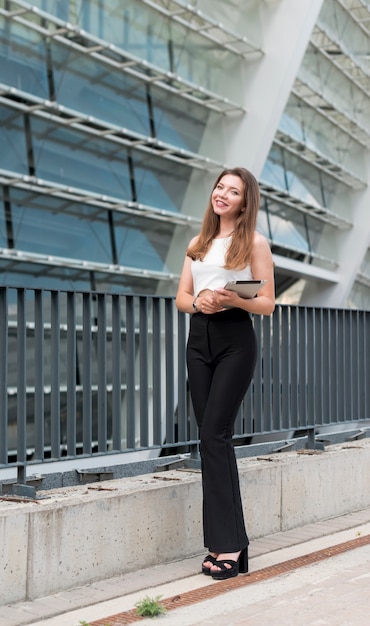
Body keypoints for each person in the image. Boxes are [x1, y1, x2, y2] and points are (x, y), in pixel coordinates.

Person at [175, 167, 275, 580]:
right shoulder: (198, 242)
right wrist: (199, 302)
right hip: (199, 340)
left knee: (216, 434)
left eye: (232, 191)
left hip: (236, 339)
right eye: (220, 187)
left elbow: (267, 303)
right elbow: (180, 297)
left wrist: (234, 298)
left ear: (244, 202)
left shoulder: (254, 242)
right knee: (209, 438)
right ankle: (231, 542)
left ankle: (228, 545)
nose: (222, 194)